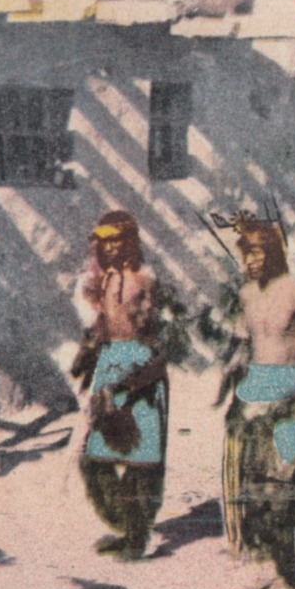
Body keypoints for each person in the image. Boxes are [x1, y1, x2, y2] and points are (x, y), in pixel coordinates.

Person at [218, 221, 295, 589]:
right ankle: (267, 560)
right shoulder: (246, 295)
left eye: (260, 252)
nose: (252, 260)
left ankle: (289, 571)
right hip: (256, 392)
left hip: (290, 394)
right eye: (247, 253)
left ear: (274, 254)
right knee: (254, 487)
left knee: (282, 487)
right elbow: (246, 346)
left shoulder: (294, 291)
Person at [71, 211, 169, 562]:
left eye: (117, 239)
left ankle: (137, 537)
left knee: (140, 461)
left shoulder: (145, 280)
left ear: (130, 242)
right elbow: (106, 325)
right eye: (104, 240)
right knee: (96, 457)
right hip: (111, 366)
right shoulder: (108, 279)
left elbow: (161, 336)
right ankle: (128, 526)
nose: (110, 247)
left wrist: (139, 377)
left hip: (141, 369)